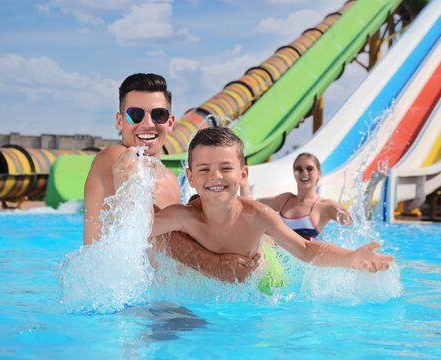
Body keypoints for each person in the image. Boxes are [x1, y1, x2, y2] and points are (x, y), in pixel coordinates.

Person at [149, 127, 394, 277]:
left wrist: (351, 258)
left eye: (226, 168)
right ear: (190, 177)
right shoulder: (182, 216)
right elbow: (135, 232)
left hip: (265, 281)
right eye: (204, 169)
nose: (216, 176)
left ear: (243, 174)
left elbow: (306, 250)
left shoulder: (257, 215)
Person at [83, 73, 258, 283]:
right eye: (135, 115)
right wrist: (216, 265)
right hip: (109, 306)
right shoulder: (113, 158)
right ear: (120, 121)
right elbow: (141, 224)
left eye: (158, 115)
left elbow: (176, 244)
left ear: (171, 122)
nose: (148, 124)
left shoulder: (170, 180)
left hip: (157, 302)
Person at [240, 153, 352, 240]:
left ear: (318, 173)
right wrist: (244, 181)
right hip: (280, 266)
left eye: (309, 168)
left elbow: (352, 223)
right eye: (298, 169)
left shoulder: (325, 206)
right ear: (294, 173)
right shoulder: (285, 200)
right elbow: (251, 207)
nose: (304, 172)